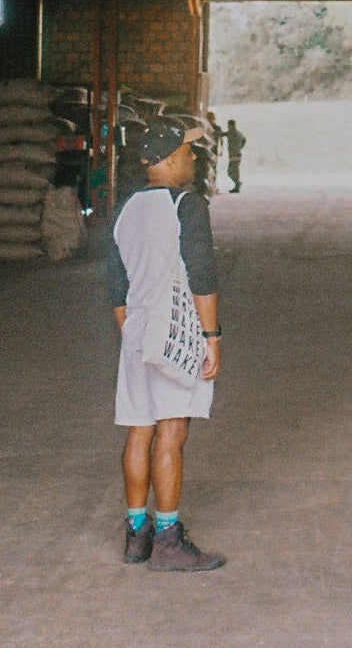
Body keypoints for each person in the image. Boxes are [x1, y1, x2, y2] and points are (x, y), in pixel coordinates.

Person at [108, 118, 224, 572]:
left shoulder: (125, 208)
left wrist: (132, 336)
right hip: (176, 330)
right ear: (170, 158)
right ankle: (169, 538)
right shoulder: (187, 205)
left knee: (139, 428)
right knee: (171, 432)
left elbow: (115, 284)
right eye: (189, 152)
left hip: (135, 331)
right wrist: (211, 337)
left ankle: (136, 534)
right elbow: (203, 276)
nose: (194, 158)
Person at [224, 118, 247, 193]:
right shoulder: (238, 133)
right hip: (236, 154)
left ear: (231, 125)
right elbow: (244, 140)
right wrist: (240, 147)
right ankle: (237, 185)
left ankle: (237, 184)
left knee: (231, 172)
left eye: (228, 126)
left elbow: (221, 134)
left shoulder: (231, 133)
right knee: (234, 171)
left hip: (234, 155)